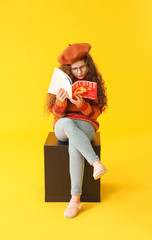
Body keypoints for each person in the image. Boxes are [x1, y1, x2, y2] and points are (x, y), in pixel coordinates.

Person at [44, 43, 108, 219]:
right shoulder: (63, 83)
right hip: (63, 126)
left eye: (82, 67)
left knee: (75, 144)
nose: (79, 72)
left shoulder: (93, 83)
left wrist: (83, 105)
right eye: (75, 69)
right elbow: (56, 114)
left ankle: (75, 200)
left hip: (85, 125)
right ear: (68, 70)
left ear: (88, 65)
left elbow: (97, 114)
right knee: (66, 123)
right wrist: (61, 101)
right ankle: (96, 163)